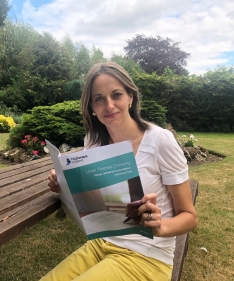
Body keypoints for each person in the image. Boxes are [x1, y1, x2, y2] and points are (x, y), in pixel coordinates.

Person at [42, 62, 198, 281]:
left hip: (147, 256)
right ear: (92, 107)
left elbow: (189, 217)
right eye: (99, 99)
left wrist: (159, 226)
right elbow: (95, 200)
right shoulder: (93, 143)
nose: (109, 105)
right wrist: (64, 185)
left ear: (130, 97)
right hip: (101, 243)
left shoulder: (160, 141)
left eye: (116, 95)